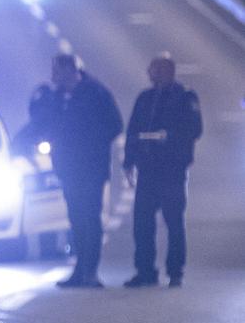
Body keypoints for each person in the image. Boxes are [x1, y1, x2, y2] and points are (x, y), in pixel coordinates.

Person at [30, 53, 122, 288]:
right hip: (68, 168)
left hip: (91, 168)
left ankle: (91, 271)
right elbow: (44, 123)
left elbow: (115, 125)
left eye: (57, 71)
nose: (53, 76)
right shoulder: (57, 97)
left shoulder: (95, 93)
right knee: (76, 219)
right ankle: (79, 271)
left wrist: (91, 144)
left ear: (70, 70)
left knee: (91, 218)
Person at [122, 54, 202, 288]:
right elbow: (133, 130)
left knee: (174, 222)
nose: (151, 74)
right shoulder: (145, 98)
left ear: (168, 72)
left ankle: (175, 270)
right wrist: (129, 161)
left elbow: (194, 128)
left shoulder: (184, 97)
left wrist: (168, 138)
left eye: (155, 70)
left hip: (172, 170)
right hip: (148, 170)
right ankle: (145, 270)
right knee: (143, 223)